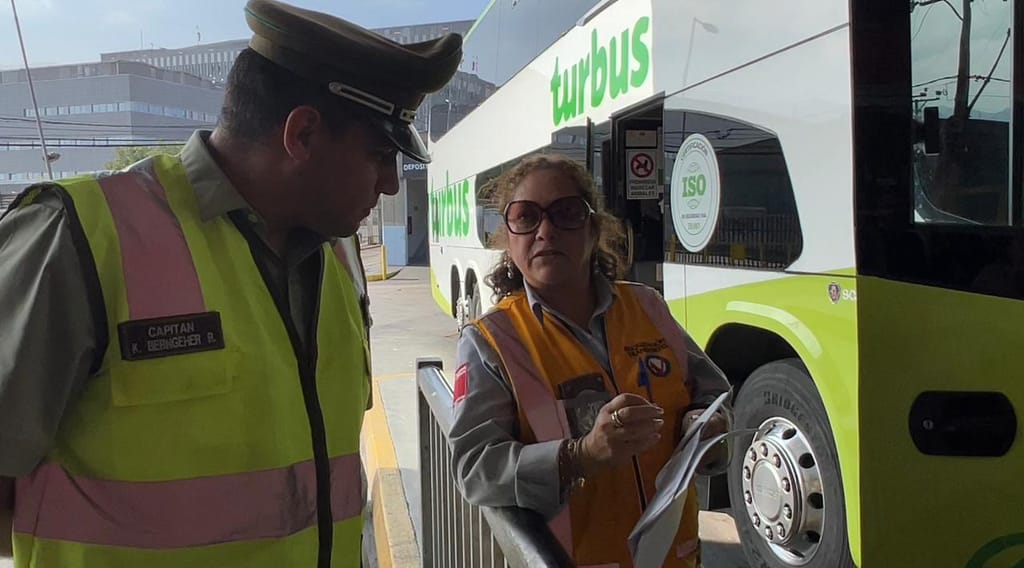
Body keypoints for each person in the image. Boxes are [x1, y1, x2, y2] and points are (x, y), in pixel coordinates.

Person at [0, 1, 461, 566]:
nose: (391, 184)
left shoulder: (339, 256)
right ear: (303, 133)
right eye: (381, 154)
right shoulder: (79, 238)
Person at [448, 154, 733, 568]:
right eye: (526, 217)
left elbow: (712, 394)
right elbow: (475, 469)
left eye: (565, 213)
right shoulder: (491, 341)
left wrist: (702, 425)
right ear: (508, 239)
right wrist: (579, 456)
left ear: (593, 228)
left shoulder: (647, 306)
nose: (545, 231)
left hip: (677, 557)